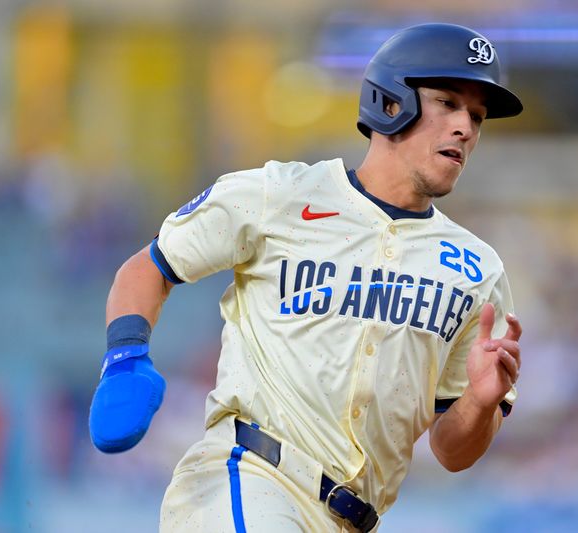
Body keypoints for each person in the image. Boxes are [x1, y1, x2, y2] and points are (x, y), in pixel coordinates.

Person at [89, 22, 523, 532]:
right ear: (390, 103)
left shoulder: (479, 271)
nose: (465, 128)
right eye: (448, 102)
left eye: (476, 115)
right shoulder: (281, 195)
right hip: (251, 478)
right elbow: (150, 268)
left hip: (354, 519)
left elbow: (452, 452)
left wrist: (478, 400)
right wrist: (126, 359)